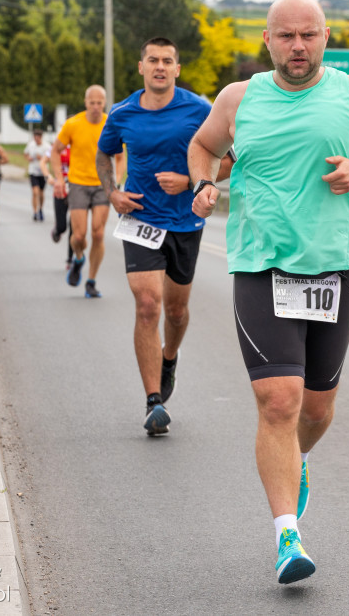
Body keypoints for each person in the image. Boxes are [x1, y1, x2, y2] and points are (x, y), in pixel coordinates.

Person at [187, 0, 349, 585]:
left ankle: (300, 459)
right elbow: (204, 148)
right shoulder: (238, 100)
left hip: (332, 268)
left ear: (324, 36)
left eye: (308, 35)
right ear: (267, 40)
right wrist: (202, 184)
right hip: (261, 265)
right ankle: (287, 535)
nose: (298, 47)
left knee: (316, 408)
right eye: (286, 36)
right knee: (280, 401)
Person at [96, 36, 233, 436]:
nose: (159, 66)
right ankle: (153, 401)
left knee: (175, 312)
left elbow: (229, 159)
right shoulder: (122, 113)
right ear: (141, 67)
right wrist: (113, 193)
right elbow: (105, 153)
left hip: (185, 222)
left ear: (177, 68)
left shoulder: (199, 109)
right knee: (147, 305)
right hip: (141, 218)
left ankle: (169, 355)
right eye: (152, 60)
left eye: (167, 61)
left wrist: (191, 179)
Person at [50, 85, 122, 298]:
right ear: (85, 102)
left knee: (98, 233)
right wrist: (59, 179)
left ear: (104, 103)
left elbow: (120, 157)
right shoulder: (73, 124)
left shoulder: (111, 123)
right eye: (92, 102)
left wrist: (116, 180)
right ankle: (78, 258)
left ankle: (91, 281)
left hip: (102, 185)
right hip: (78, 184)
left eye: (100, 103)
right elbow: (55, 151)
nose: (96, 107)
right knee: (79, 236)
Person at [45, 144, 74, 267]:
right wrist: (49, 176)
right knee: (62, 227)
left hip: (76, 189)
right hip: (60, 189)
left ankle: (70, 259)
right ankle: (57, 230)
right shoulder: (57, 146)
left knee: (74, 227)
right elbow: (43, 162)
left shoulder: (78, 146)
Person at [24, 128, 50, 221]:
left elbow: (50, 158)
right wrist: (28, 158)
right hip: (33, 171)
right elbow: (25, 153)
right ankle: (35, 212)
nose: (36, 139)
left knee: (41, 193)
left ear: (41, 137)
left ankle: (40, 209)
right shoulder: (30, 145)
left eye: (38, 137)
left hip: (43, 172)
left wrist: (42, 158)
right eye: (35, 137)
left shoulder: (46, 146)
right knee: (35, 192)